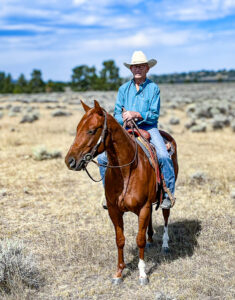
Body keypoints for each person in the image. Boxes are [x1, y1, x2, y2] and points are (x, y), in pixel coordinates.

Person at [97, 50, 175, 209]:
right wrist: (124, 118)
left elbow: (154, 115)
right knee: (103, 159)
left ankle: (168, 194)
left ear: (147, 68)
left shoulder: (153, 88)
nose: (138, 69)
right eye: (135, 67)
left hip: (148, 127)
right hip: (126, 129)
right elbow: (116, 113)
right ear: (131, 70)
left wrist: (137, 114)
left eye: (141, 66)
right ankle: (109, 194)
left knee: (163, 155)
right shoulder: (123, 89)